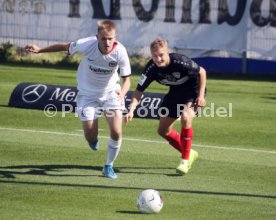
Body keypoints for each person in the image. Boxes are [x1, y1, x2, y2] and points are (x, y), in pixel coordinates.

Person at [25, 20, 131, 179]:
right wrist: (40, 50)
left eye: (110, 39)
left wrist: (122, 94)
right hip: (87, 95)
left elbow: (127, 80)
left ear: (115, 37)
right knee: (90, 135)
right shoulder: (87, 44)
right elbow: (64, 46)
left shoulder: (121, 51)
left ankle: (108, 166)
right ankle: (92, 139)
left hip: (111, 93)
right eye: (104, 39)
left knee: (116, 131)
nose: (107, 42)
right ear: (97, 37)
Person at [125, 38, 206, 175]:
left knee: (186, 117)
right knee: (163, 130)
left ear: (167, 52)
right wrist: (131, 109)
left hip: (193, 91)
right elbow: (139, 91)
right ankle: (189, 152)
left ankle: (184, 161)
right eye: (155, 56)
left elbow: (202, 72)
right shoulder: (151, 69)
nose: (158, 59)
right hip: (175, 92)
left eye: (161, 55)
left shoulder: (180, 61)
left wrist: (201, 96)